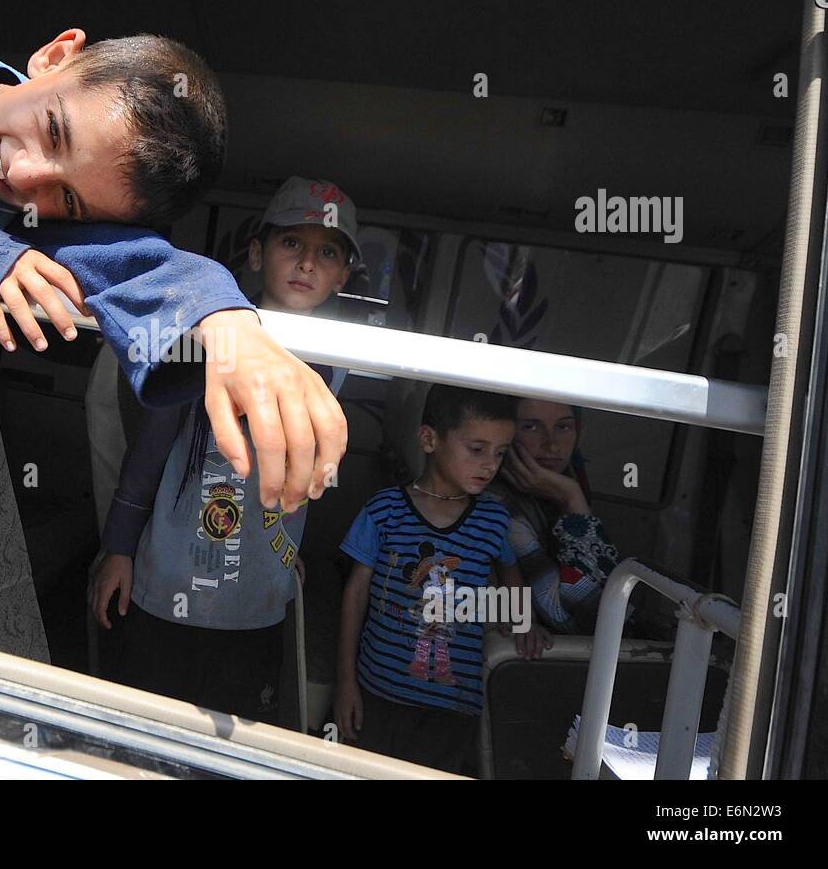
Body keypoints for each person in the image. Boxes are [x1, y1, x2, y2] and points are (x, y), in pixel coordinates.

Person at [0, 29, 341, 511]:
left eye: (69, 202)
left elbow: (123, 257)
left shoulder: (40, 182)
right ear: (54, 57)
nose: (27, 178)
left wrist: (225, 321)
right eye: (54, 129)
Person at [90, 177, 360, 722]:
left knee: (230, 730)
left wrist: (287, 552)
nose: (307, 264)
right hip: (166, 574)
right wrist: (118, 547)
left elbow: (303, 479)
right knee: (144, 722)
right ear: (258, 253)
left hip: (256, 596)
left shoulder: (340, 360)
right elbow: (151, 448)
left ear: (343, 275)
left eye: (326, 252)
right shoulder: (213, 331)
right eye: (292, 245)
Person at [333, 384, 549, 772]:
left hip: (454, 704)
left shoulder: (494, 519)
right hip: (377, 692)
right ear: (429, 439)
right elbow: (355, 594)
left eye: (500, 453)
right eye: (477, 449)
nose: (490, 465)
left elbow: (511, 575)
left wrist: (525, 622)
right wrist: (346, 681)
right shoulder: (385, 509)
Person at [492, 399, 620, 634]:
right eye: (531, 427)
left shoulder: (558, 489)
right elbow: (580, 618)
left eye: (563, 427)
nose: (551, 445)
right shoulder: (498, 506)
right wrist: (573, 498)